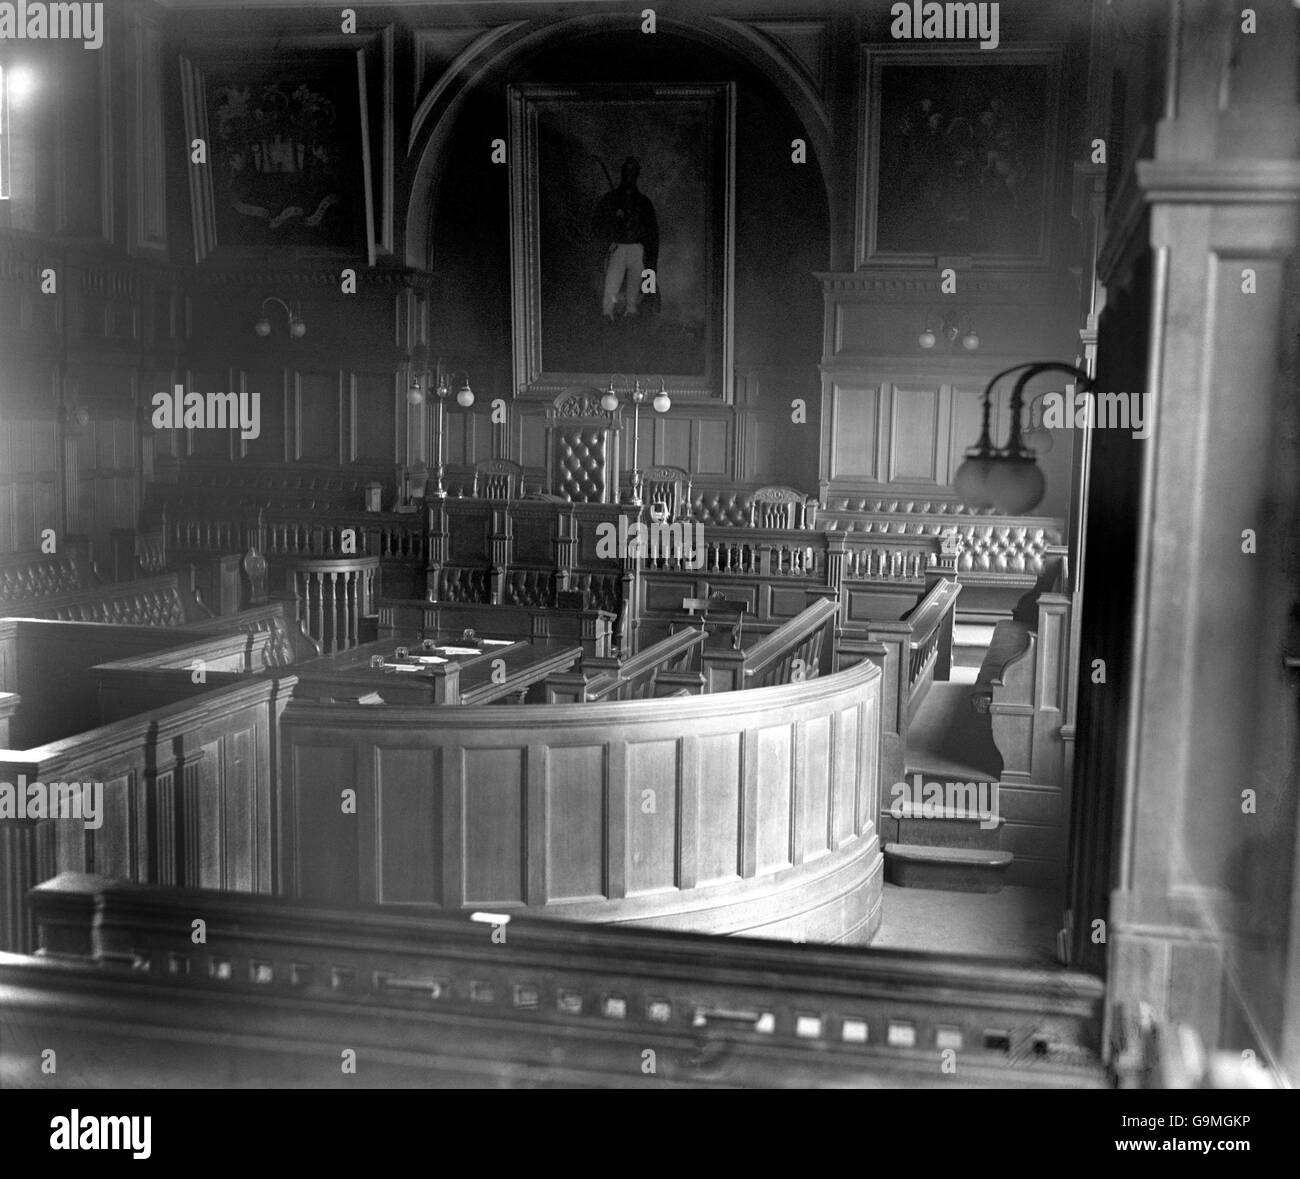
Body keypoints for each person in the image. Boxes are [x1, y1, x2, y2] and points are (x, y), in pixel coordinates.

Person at [591, 157, 659, 319]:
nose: (629, 174)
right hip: (618, 247)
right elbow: (598, 224)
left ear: (637, 174)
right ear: (623, 173)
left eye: (633, 171)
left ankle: (631, 313)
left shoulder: (644, 203)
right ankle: (607, 314)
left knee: (635, 288)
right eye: (627, 171)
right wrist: (615, 220)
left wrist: (651, 264)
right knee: (611, 284)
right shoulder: (610, 200)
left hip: (637, 249)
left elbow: (652, 234)